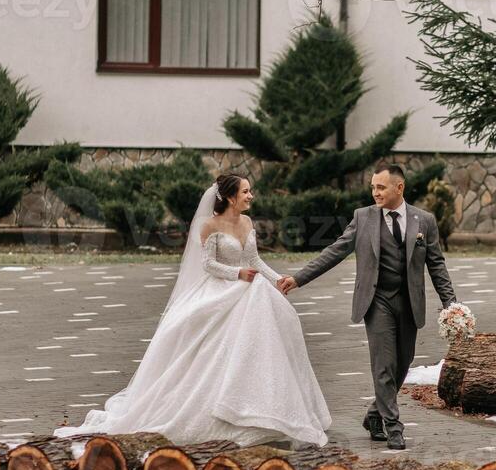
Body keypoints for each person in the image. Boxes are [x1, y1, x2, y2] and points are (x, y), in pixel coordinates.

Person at [57, 174, 331, 446]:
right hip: (222, 290)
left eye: (250, 191)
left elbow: (254, 260)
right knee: (214, 352)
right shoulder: (209, 225)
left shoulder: (247, 222)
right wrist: (237, 273)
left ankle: (260, 407)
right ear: (230, 197)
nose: (251, 196)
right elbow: (208, 264)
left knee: (259, 345)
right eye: (246, 192)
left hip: (250, 290)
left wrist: (278, 280)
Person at [278, 163, 457, 450]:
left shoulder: (424, 221)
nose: (375, 192)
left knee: (402, 364)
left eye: (381, 187)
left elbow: (436, 265)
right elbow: (334, 251)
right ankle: (393, 426)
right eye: (373, 187)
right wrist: (299, 279)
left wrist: (451, 304)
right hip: (377, 301)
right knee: (384, 366)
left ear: (399, 187)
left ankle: (374, 415)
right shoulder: (363, 218)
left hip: (410, 302)